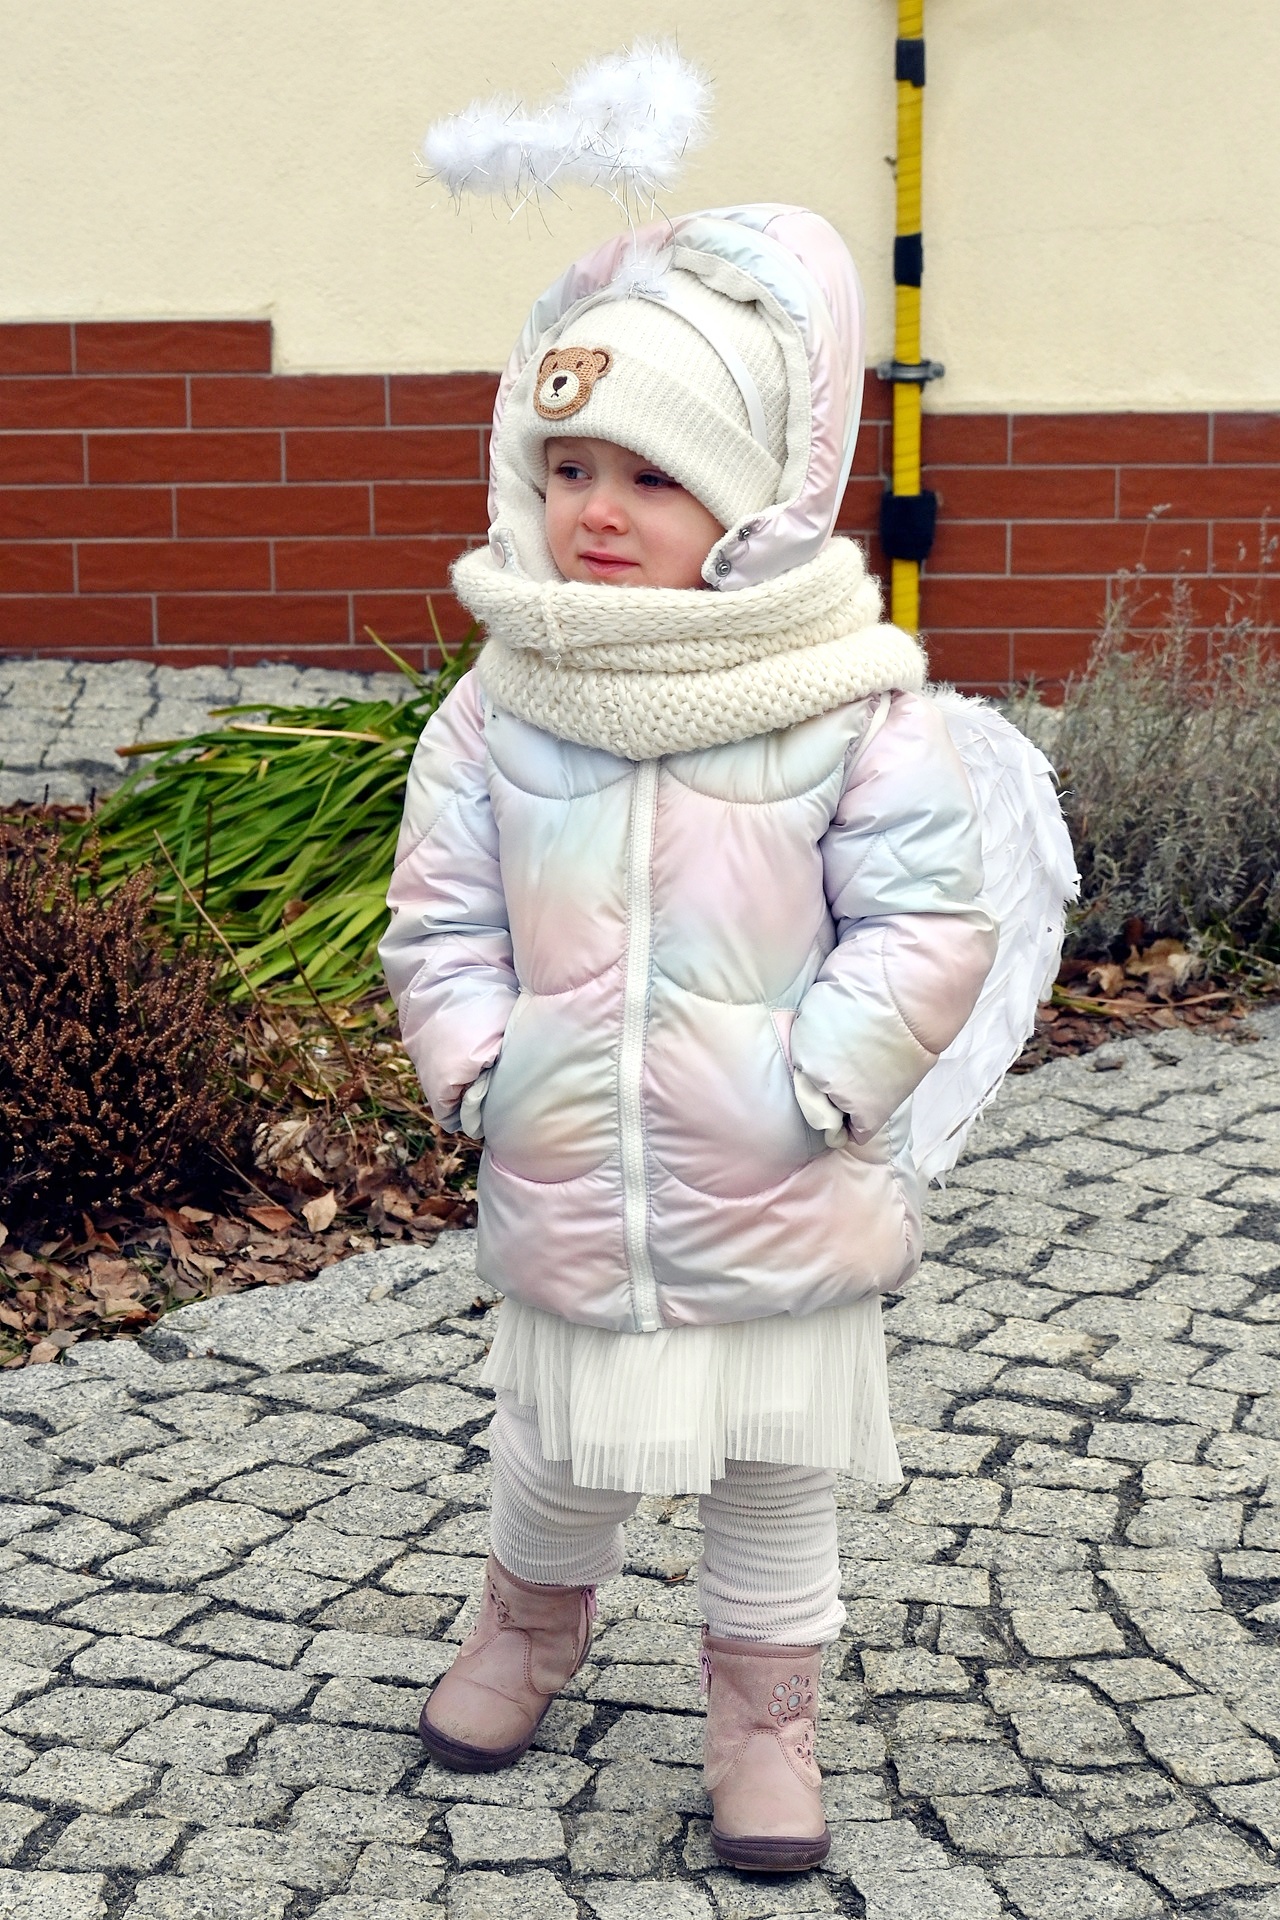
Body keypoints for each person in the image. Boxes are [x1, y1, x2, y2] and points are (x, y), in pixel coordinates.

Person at [379, 205, 998, 1874]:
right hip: (574, 1162)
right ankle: (527, 1628)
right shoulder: (504, 699)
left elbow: (928, 921)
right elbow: (442, 915)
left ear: (752, 501)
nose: (598, 510)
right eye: (571, 466)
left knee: (771, 1473)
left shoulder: (844, 698)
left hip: (773, 1172)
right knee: (559, 1440)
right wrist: (482, 1065)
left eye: (653, 477)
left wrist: (823, 1084)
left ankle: (762, 1724)